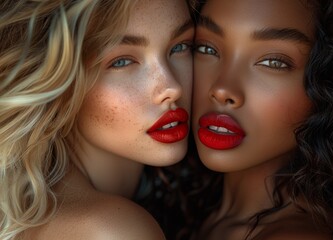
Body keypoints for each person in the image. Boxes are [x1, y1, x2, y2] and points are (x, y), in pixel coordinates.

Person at [0, 0, 195, 239]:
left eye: (181, 47)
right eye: (121, 62)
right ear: (61, 80)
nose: (172, 87)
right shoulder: (114, 231)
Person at [190, 0, 333, 239]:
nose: (223, 89)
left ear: (330, 85)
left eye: (273, 62)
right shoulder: (195, 215)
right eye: (206, 49)